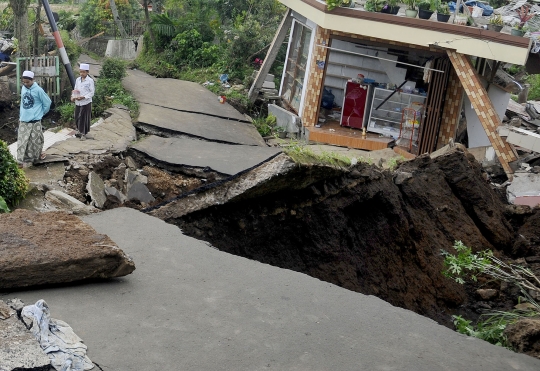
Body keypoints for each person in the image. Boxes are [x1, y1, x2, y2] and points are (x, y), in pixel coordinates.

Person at [17, 70, 51, 167]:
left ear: (33, 80)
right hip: (24, 119)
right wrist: (20, 116)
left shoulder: (38, 90)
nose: (26, 84)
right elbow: (22, 104)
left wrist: (41, 113)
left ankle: (35, 158)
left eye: (28, 82)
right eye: (24, 82)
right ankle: (20, 161)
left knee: (35, 140)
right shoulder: (23, 88)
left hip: (35, 120)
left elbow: (47, 102)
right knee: (22, 141)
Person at [71, 63, 95, 141]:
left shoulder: (90, 81)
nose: (82, 73)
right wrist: (73, 96)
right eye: (81, 72)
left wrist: (84, 97)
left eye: (83, 72)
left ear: (87, 72)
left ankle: (83, 133)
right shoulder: (78, 79)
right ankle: (79, 130)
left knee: (84, 117)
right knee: (77, 116)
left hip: (86, 102)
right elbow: (75, 89)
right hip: (78, 101)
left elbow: (92, 92)